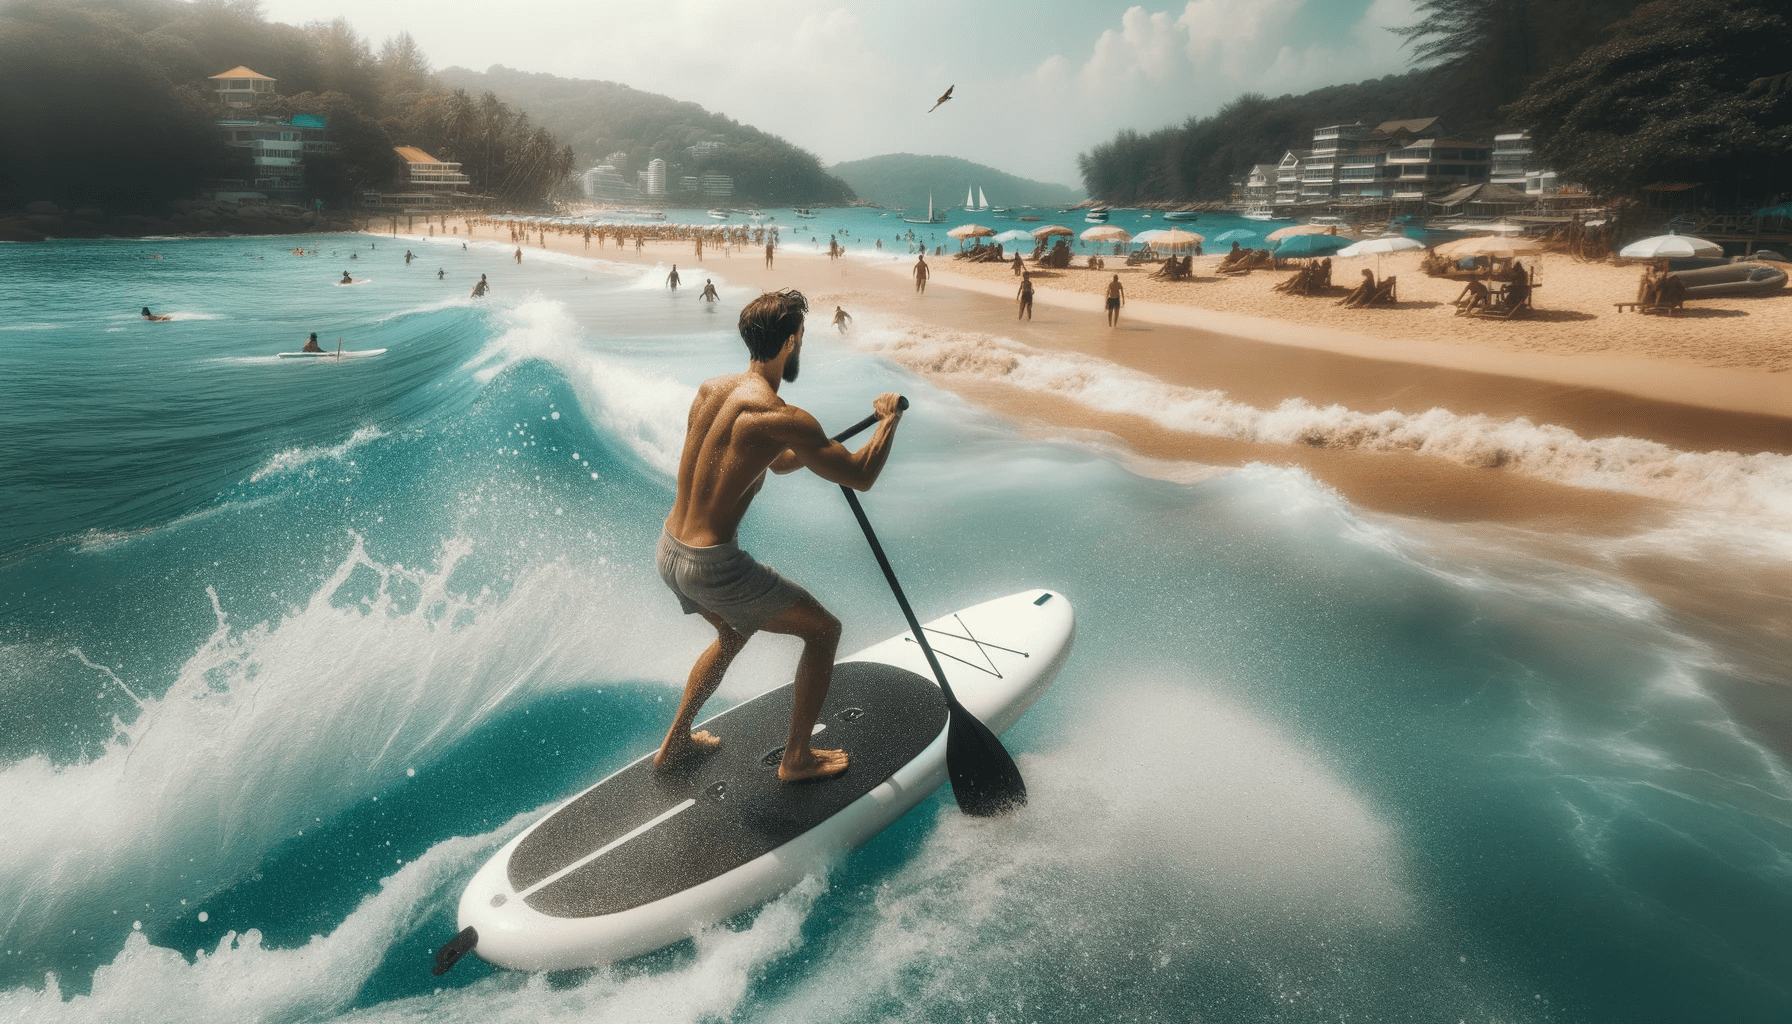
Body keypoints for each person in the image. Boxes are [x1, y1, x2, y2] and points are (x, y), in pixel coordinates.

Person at [654, 289, 905, 782]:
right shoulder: (781, 417)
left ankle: (675, 743)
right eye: (802, 339)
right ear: (790, 342)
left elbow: (765, 458)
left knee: (731, 633)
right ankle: (797, 758)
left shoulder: (710, 392)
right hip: (712, 566)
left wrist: (812, 448)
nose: (802, 347)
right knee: (823, 630)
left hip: (668, 552)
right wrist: (888, 422)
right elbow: (861, 476)